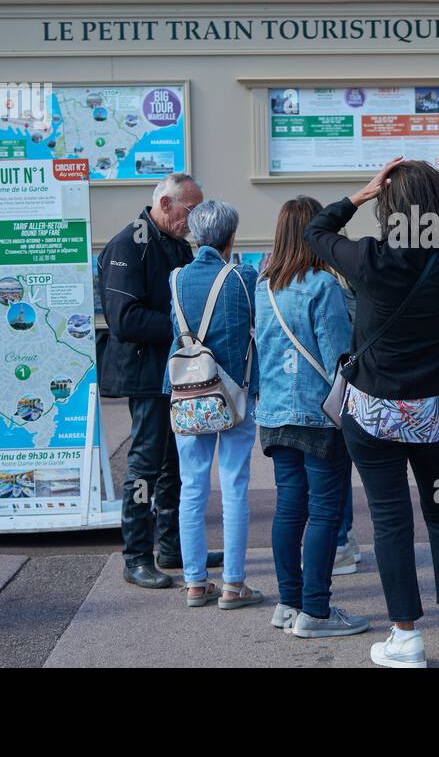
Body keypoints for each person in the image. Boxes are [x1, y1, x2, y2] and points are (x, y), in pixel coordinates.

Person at [306, 157, 439, 667]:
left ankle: (405, 638)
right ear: (438, 205)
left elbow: (316, 229)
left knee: (391, 521)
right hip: (437, 413)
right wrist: (433, 189)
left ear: (388, 207)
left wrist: (360, 195)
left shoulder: (367, 259)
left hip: (376, 412)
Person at [254, 196, 367, 637]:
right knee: (323, 511)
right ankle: (317, 611)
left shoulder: (263, 285)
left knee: (289, 508)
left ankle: (289, 602)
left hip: (275, 412)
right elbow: (339, 355)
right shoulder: (323, 285)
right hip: (318, 415)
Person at [100, 172, 206, 589]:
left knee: (174, 465)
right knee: (144, 466)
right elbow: (124, 319)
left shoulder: (175, 242)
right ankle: (137, 556)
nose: (194, 219)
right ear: (166, 204)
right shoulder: (128, 245)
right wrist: (185, 327)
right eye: (190, 210)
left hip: (172, 370)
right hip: (146, 374)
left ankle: (173, 549)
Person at [165, 200, 262, 610]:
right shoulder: (243, 278)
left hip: (187, 393)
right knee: (234, 485)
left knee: (192, 486)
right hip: (235, 393)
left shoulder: (176, 279)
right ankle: (233, 585)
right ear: (231, 237)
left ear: (194, 234)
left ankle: (194, 583)